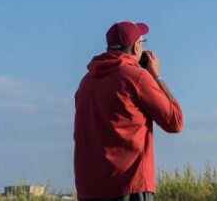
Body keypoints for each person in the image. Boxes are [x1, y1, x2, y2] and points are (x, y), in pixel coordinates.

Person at [74, 21, 183, 201]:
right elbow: (175, 122)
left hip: (90, 189)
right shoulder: (137, 77)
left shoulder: (86, 82)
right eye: (142, 42)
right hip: (130, 185)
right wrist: (156, 76)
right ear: (135, 47)